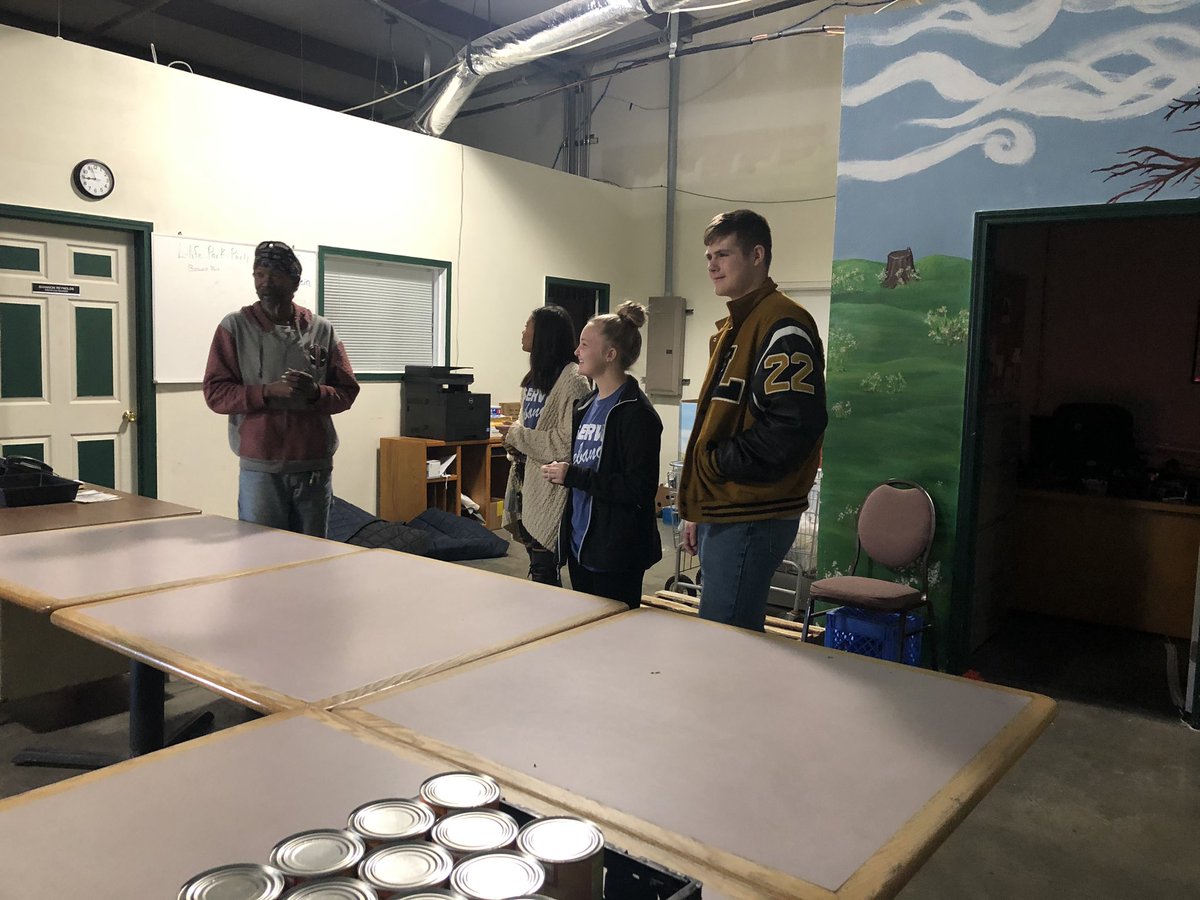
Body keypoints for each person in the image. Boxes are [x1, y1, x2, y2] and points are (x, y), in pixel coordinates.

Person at [677, 210, 828, 631]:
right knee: (725, 629)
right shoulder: (738, 325)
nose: (711, 265)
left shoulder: (783, 322)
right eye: (709, 255)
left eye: (723, 254)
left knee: (726, 634)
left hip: (751, 511)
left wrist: (715, 465)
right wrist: (700, 505)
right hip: (726, 507)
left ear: (757, 255)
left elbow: (792, 428)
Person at [202, 240, 359, 537]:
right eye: (259, 274)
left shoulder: (321, 329)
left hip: (313, 464)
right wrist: (266, 392)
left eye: (274, 275)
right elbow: (215, 393)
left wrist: (316, 393)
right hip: (260, 465)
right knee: (260, 552)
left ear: (295, 282)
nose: (265, 283)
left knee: (312, 552)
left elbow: (347, 391)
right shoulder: (234, 327)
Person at [542, 301, 662, 608]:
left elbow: (639, 489)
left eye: (584, 344)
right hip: (581, 545)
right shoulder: (585, 405)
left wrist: (574, 475)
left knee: (615, 643)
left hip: (616, 552)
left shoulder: (637, 414)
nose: (576, 352)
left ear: (610, 355)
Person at [501, 304, 590, 585]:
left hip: (550, 488)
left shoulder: (573, 380)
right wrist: (515, 442)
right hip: (524, 479)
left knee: (543, 566)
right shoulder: (534, 378)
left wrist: (516, 436)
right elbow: (529, 430)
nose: (523, 331)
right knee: (535, 559)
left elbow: (566, 444)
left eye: (528, 325)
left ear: (544, 335)